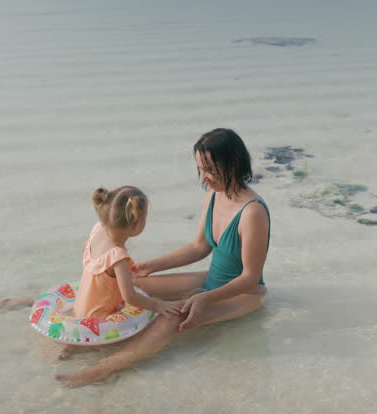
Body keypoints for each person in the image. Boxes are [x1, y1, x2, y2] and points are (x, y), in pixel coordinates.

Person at [56, 128, 270, 388]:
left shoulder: (253, 213)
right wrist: (152, 265)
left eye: (210, 170)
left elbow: (249, 278)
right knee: (130, 284)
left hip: (243, 294)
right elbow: (199, 246)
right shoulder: (214, 194)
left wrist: (203, 297)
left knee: (172, 316)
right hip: (211, 279)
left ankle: (103, 368)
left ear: (233, 164)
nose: (204, 178)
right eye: (200, 169)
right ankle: (66, 318)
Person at [0, 186, 182, 357]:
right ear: (138, 224)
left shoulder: (98, 230)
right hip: (95, 319)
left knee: (71, 303)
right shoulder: (118, 257)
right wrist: (158, 306)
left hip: (80, 305)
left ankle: (28, 302)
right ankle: (69, 348)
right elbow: (131, 298)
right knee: (114, 342)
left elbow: (89, 253)